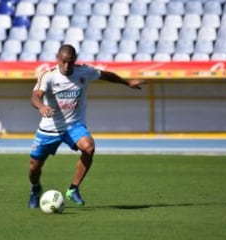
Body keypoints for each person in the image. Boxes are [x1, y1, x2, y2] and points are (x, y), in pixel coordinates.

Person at [28, 44, 146, 208]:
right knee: (34, 167)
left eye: (70, 62)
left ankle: (73, 189)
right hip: (50, 129)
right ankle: (35, 189)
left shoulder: (85, 71)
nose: (67, 66)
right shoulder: (48, 76)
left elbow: (107, 75)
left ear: (75, 60)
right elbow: (35, 96)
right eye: (63, 62)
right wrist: (41, 106)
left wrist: (128, 83)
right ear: (58, 59)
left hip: (74, 126)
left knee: (89, 147)